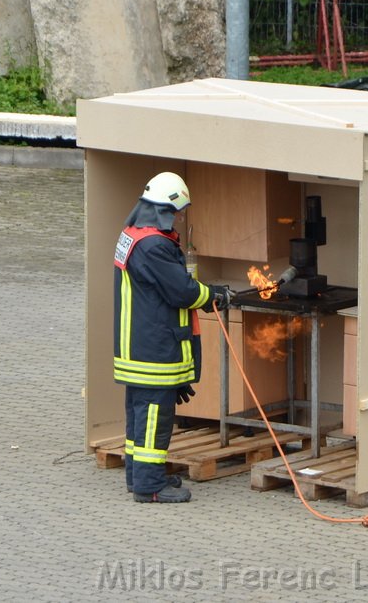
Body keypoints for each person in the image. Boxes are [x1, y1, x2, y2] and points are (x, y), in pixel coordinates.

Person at [113, 171, 233, 503]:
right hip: (154, 348)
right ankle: (150, 488)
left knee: (140, 415)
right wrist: (213, 295)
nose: (178, 218)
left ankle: (138, 477)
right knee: (155, 416)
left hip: (136, 346)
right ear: (164, 209)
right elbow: (180, 292)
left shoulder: (133, 235)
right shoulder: (153, 245)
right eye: (176, 211)